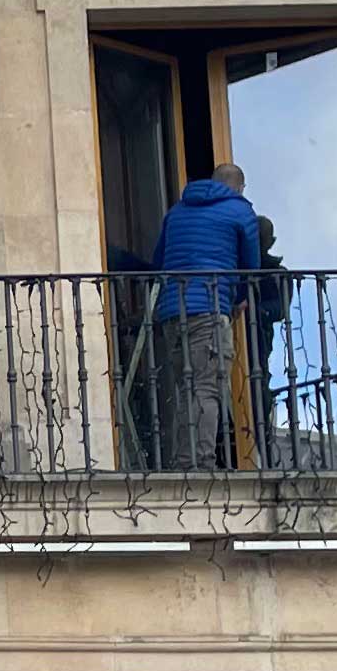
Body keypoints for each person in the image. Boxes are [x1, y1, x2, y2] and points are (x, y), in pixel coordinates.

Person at [148, 160, 265, 470]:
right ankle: (198, 464)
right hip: (209, 308)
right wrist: (237, 300)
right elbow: (250, 267)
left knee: (187, 387)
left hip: (173, 311)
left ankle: (183, 461)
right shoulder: (241, 211)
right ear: (239, 187)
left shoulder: (176, 211)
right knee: (208, 387)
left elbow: (159, 260)